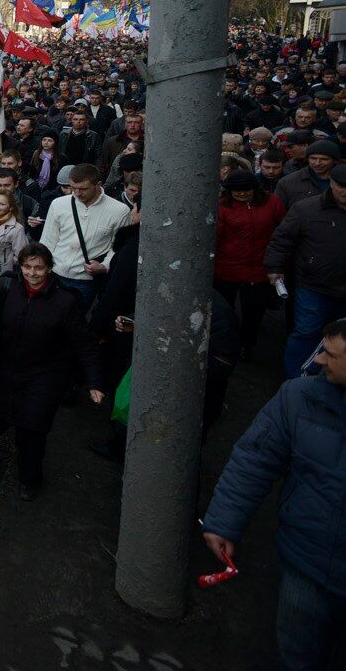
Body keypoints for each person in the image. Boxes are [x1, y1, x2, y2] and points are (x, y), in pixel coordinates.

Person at [201, 320, 346, 671]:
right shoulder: (299, 397)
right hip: (307, 560)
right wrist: (224, 522)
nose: (320, 361)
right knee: (298, 655)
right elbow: (255, 458)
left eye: (330, 354)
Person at [0, 243, 103, 500]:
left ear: (49, 268)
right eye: (27, 267)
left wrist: (94, 382)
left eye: (39, 268)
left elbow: (84, 344)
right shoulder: (6, 287)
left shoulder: (65, 301)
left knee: (32, 428)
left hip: (45, 374)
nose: (32, 273)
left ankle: (29, 479)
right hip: (6, 366)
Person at [265, 165, 346, 376]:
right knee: (306, 332)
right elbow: (281, 240)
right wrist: (274, 267)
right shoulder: (306, 209)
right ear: (332, 184)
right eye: (342, 187)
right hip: (314, 285)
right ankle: (295, 380)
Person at [37, 163, 133, 309]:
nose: (76, 193)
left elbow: (119, 247)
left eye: (83, 189)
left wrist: (104, 266)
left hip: (85, 281)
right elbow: (48, 240)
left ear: (98, 185)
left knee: (74, 324)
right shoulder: (58, 204)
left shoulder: (119, 211)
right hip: (54, 274)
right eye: (73, 188)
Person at [214, 169, 286, 360]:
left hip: (259, 268)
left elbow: (283, 229)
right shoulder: (222, 207)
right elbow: (215, 236)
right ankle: (225, 344)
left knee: (253, 312)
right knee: (225, 311)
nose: (243, 194)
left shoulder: (272, 202)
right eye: (238, 191)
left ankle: (247, 345)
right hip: (226, 268)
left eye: (247, 190)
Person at [0, 189, 30, 275]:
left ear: (10, 207)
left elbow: (21, 256)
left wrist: (6, 261)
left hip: (1, 272)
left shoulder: (17, 228)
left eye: (2, 204)